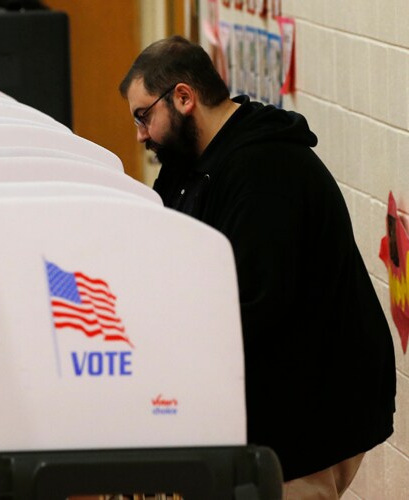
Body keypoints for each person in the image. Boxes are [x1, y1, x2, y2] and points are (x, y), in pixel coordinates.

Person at [119, 35, 396, 498]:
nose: (140, 134)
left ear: (184, 97)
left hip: (312, 409)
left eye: (143, 116)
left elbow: (254, 309)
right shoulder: (192, 164)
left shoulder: (266, 172)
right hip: (276, 396)